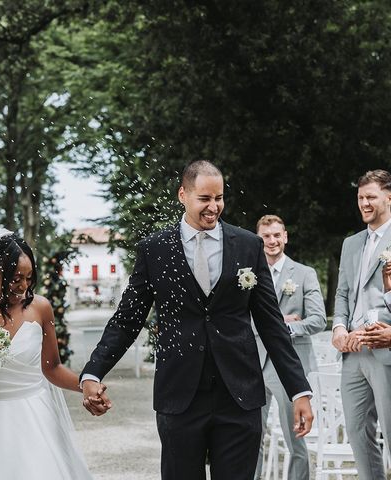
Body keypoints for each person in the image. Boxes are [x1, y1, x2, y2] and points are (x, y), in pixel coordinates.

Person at [81, 160, 313, 480]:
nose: (213, 207)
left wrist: (299, 391)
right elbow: (128, 319)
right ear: (183, 195)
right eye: (205, 199)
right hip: (180, 396)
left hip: (239, 397)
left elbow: (271, 324)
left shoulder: (248, 245)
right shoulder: (155, 250)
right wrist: (93, 371)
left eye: (219, 198)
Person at [0, 227, 93, 479]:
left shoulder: (41, 308)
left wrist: (86, 385)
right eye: (15, 278)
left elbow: (53, 368)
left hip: (34, 414)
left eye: (29, 277)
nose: (23, 286)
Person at [253, 215, 326, 480]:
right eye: (265, 236)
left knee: (295, 438)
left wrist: (284, 328)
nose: (271, 241)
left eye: (276, 235)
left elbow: (318, 319)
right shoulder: (249, 275)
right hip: (254, 362)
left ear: (285, 236)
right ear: (259, 241)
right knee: (252, 437)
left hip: (288, 367)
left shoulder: (305, 274)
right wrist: (274, 321)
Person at [332, 169, 391, 480]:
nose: (364, 203)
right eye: (360, 198)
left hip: (386, 350)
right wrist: (339, 328)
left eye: (371, 197)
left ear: (389, 197)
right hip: (353, 354)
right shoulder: (351, 244)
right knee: (357, 434)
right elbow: (342, 293)